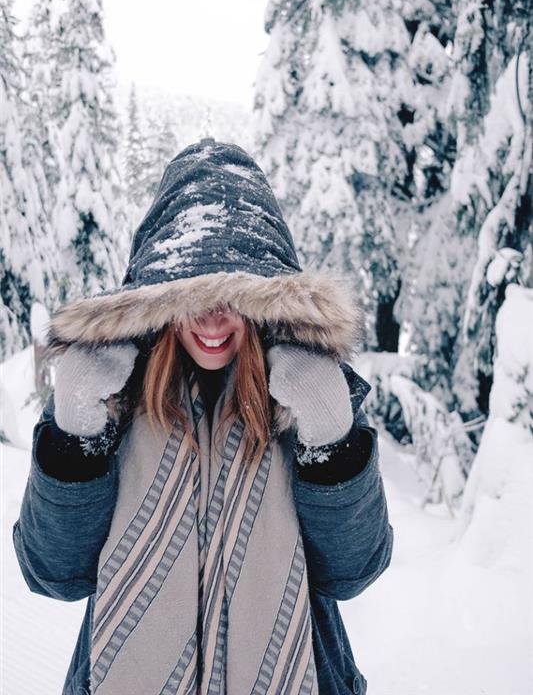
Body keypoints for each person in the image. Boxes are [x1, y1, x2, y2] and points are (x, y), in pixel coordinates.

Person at [13, 138, 393, 695]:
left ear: (267, 298)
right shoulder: (111, 395)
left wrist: (332, 439)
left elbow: (353, 571)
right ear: (159, 298)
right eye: (193, 295)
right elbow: (53, 573)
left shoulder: (303, 392)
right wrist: (74, 435)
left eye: (233, 296)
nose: (214, 321)